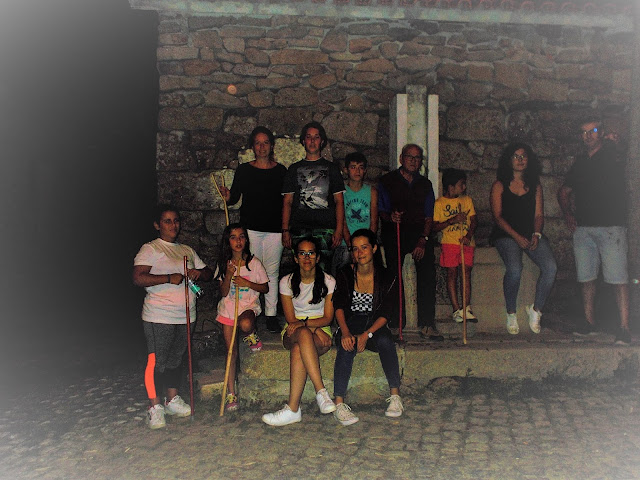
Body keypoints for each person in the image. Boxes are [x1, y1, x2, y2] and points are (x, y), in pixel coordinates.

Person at [133, 204, 213, 429]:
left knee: (176, 359)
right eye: (167, 221)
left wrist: (199, 273)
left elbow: (208, 273)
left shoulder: (186, 250)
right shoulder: (151, 248)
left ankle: (172, 399)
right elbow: (138, 278)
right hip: (159, 315)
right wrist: (168, 278)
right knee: (156, 361)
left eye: (176, 220)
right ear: (157, 225)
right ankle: (154, 405)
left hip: (185, 315)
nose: (173, 225)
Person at [558, 118, 631, 345]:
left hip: (611, 227)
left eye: (593, 131)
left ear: (601, 133)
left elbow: (621, 150)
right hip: (584, 228)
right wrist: (568, 214)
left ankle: (624, 328)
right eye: (584, 132)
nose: (588, 135)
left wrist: (616, 141)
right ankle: (589, 324)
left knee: (618, 278)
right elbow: (564, 191)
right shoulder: (580, 163)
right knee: (586, 277)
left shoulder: (612, 155)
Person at [262, 237, 337, 426]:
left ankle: (293, 409)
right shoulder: (286, 282)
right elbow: (291, 319)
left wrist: (315, 328)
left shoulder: (328, 281)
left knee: (298, 349)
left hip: (321, 330)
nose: (307, 257)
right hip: (294, 330)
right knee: (303, 335)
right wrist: (312, 328)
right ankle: (321, 392)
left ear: (317, 257)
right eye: (302, 253)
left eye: (311, 253)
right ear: (296, 258)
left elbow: (328, 318)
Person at [219, 126, 287, 334]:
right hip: (250, 229)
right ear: (252, 146)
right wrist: (227, 196)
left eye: (265, 142)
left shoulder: (281, 171)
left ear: (271, 145)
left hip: (275, 229)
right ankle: (252, 312)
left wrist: (286, 228)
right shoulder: (244, 170)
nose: (262, 147)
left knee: (272, 273)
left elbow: (287, 202)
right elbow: (234, 198)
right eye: (257, 143)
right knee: (252, 270)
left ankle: (271, 315)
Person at [332, 229, 403, 425]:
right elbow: (338, 306)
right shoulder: (345, 273)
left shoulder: (387, 276)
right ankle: (339, 404)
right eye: (355, 249)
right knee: (346, 346)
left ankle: (395, 396)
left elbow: (386, 313)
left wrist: (366, 334)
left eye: (364, 247)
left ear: (374, 248)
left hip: (374, 324)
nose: (359, 253)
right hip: (350, 321)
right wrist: (345, 332)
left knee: (386, 341)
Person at [490, 143, 557, 335]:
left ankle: (536, 310)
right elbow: (498, 217)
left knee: (551, 267)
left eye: (523, 156)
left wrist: (536, 234)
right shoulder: (499, 185)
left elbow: (539, 215)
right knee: (515, 269)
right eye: (516, 156)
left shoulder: (535, 185)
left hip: (530, 233)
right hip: (506, 234)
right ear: (509, 160)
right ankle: (511, 312)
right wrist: (517, 237)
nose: (520, 160)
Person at [378, 143, 442, 341]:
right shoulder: (387, 181)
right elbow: (382, 211)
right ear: (401, 158)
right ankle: (396, 323)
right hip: (395, 231)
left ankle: (427, 323)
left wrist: (423, 240)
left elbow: (429, 216)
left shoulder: (425, 184)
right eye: (410, 157)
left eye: (417, 158)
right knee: (393, 274)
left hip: (419, 234)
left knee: (427, 274)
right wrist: (391, 217)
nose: (414, 161)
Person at [214, 223, 269, 411]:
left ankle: (251, 333)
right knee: (231, 352)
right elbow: (223, 292)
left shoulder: (254, 263)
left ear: (246, 239)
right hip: (228, 308)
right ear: (227, 241)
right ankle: (231, 393)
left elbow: (265, 287)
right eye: (233, 237)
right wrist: (228, 275)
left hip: (247, 306)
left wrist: (247, 283)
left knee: (245, 324)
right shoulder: (225, 264)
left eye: (242, 236)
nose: (238, 241)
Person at [281, 121, 345, 271]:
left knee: (324, 272)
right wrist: (285, 230)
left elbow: (339, 201)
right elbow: (287, 202)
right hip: (299, 229)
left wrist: (339, 229)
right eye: (309, 137)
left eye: (316, 137)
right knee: (301, 273)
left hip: (325, 230)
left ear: (321, 141)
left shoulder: (332, 169)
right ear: (303, 141)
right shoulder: (293, 169)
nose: (312, 141)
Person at [432, 168, 478, 324]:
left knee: (466, 273)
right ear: (451, 187)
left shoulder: (467, 200)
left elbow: (474, 221)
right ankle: (456, 309)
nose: (464, 187)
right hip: (449, 243)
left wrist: (468, 236)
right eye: (461, 184)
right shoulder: (439, 203)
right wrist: (452, 220)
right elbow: (435, 226)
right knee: (452, 273)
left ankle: (466, 307)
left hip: (466, 243)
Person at [332, 152, 379, 274]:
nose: (357, 171)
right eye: (353, 167)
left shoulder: (372, 191)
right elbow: (342, 221)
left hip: (365, 242)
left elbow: (374, 221)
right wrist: (351, 247)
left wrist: (368, 243)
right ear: (346, 170)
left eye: (360, 167)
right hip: (346, 242)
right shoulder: (341, 192)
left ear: (365, 170)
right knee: (343, 266)